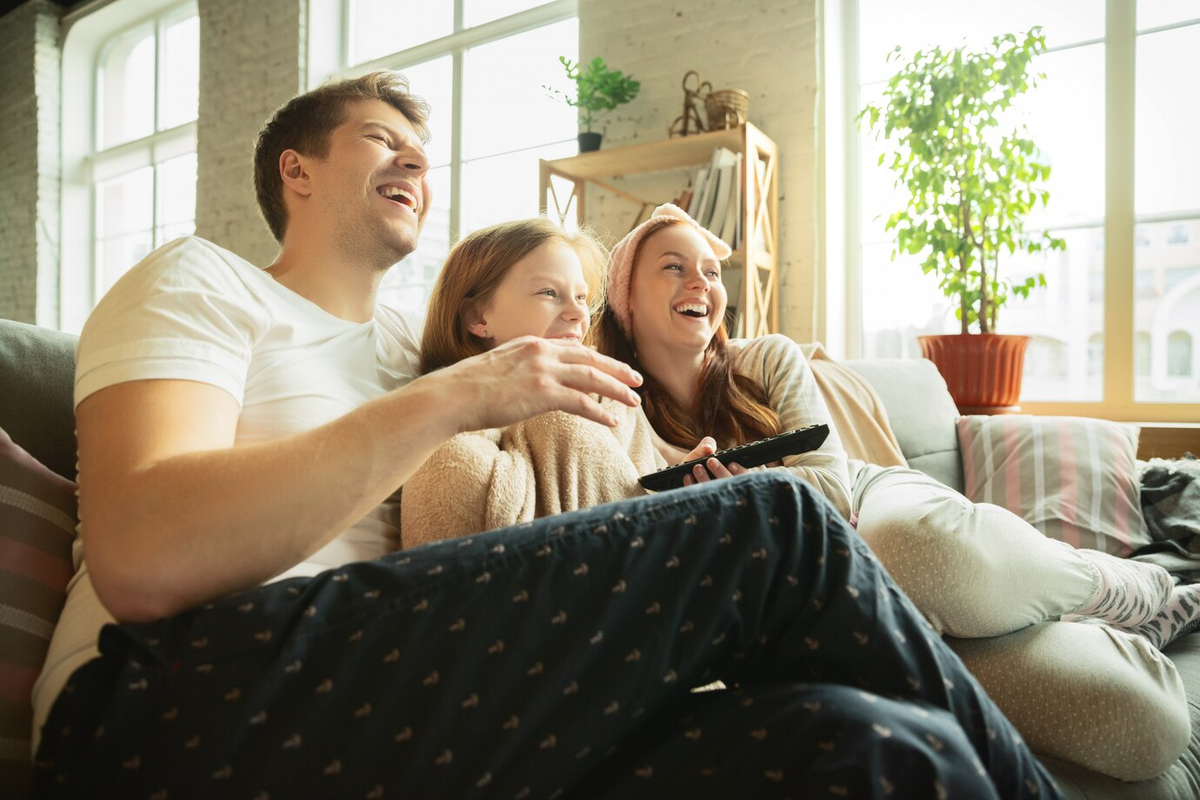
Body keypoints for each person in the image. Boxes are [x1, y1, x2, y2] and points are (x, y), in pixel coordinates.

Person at [31, 73, 1064, 799]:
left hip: (418, 701)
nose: (415, 159)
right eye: (381, 140)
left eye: (423, 152)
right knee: (777, 523)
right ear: (295, 172)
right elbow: (144, 552)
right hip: (166, 707)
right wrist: (460, 396)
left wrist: (662, 506)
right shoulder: (202, 280)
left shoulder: (411, 347)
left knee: (881, 748)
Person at [593, 202, 1194, 781]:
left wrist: (747, 495)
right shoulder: (613, 415)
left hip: (868, 507)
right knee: (1145, 727)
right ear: (625, 300)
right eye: (674, 266)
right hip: (819, 611)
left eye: (710, 270)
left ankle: (1120, 587)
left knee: (918, 550)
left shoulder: (768, 358)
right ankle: (1109, 624)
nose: (701, 281)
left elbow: (831, 488)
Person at [402, 218, 665, 548]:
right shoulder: (443, 435)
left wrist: (684, 484)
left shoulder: (610, 398)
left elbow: (651, 488)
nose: (577, 313)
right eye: (549, 293)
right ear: (478, 317)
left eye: (581, 297)